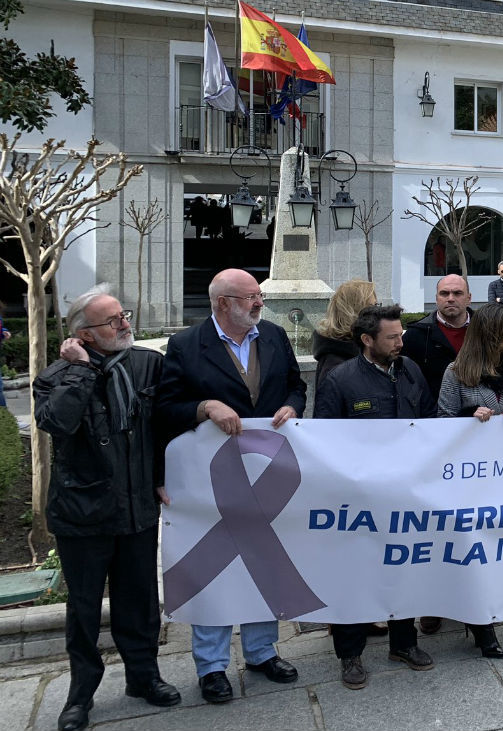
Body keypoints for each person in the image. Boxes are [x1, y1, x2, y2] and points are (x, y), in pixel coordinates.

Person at [33, 286, 180, 731]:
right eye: (112, 321)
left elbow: (164, 428)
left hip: (136, 508)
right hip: (83, 512)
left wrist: (160, 476)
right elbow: (55, 422)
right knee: (82, 609)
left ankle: (144, 676)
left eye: (124, 315)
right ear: (84, 336)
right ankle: (81, 693)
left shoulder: (147, 365)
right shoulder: (58, 375)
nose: (125, 324)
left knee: (139, 601)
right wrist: (80, 371)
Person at [156, 268, 305, 704]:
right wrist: (205, 406)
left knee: (264, 562)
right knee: (213, 568)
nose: (259, 303)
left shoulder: (273, 335)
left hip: (266, 475)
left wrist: (292, 406)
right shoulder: (186, 345)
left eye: (259, 295)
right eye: (250, 297)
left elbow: (295, 384)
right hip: (211, 481)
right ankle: (212, 666)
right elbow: (166, 406)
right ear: (222, 303)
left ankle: (261, 652)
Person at [314, 305, 436, 689]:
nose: (401, 342)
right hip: (360, 501)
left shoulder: (411, 370)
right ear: (367, 340)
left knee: (404, 567)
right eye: (392, 337)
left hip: (406, 493)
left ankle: (404, 642)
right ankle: (350, 654)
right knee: (354, 574)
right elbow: (325, 443)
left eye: (401, 335)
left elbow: (430, 421)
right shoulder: (340, 380)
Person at [437, 302, 503, 658]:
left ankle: (495, 608)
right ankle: (483, 628)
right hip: (471, 478)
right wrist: (469, 415)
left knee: (501, 549)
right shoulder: (457, 371)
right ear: (491, 333)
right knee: (474, 550)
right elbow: (441, 421)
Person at [399, 273, 471, 636]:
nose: (450, 299)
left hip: (479, 445)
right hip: (432, 440)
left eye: (457, 293)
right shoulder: (415, 336)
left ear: (469, 296)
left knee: (471, 525)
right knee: (433, 527)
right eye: (444, 293)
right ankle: (430, 604)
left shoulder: (484, 330)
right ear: (435, 297)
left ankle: (470, 594)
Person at [312, 279, 378, 393]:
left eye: (377, 306)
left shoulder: (364, 351)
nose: (377, 313)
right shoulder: (335, 365)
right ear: (353, 311)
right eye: (372, 307)